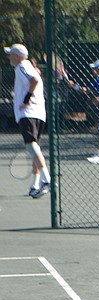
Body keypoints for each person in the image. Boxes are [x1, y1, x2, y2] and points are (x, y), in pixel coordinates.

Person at [4, 43, 51, 199]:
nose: (8, 57)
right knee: (34, 149)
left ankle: (47, 180)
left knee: (31, 146)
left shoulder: (22, 66)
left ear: (17, 56)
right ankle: (36, 184)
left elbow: (35, 80)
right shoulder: (27, 66)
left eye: (10, 54)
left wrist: (26, 99)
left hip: (29, 113)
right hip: (37, 113)